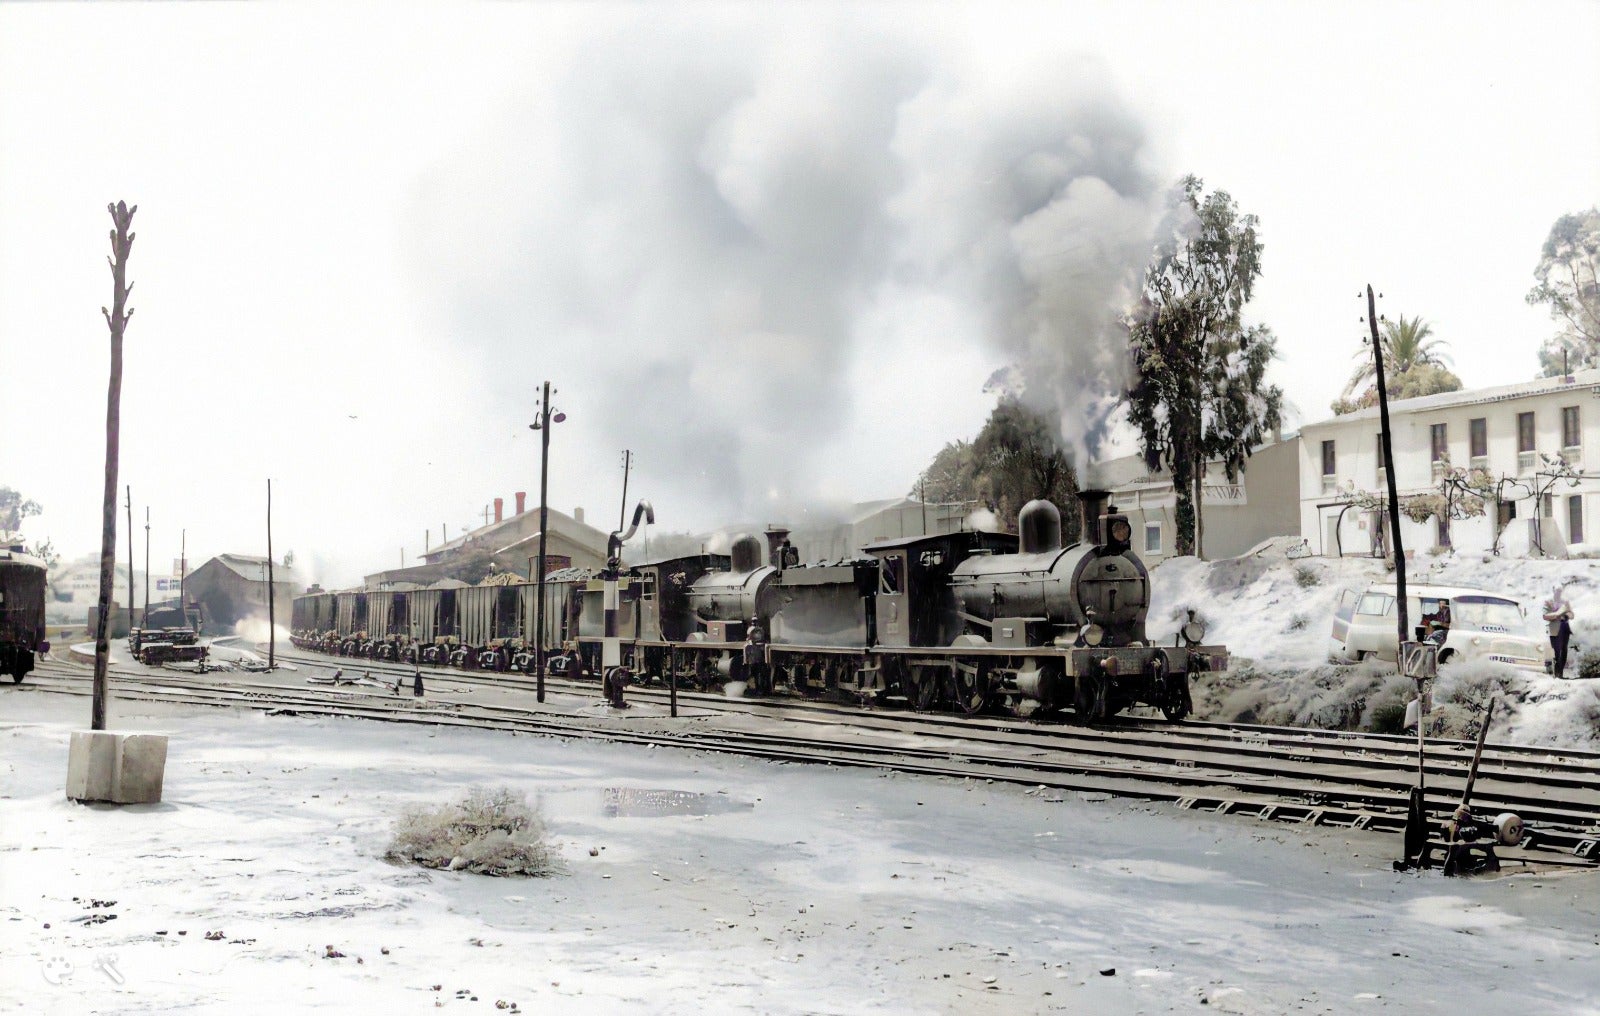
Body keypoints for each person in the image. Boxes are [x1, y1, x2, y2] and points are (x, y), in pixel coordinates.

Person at [1544, 585, 1575, 679]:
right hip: (1555, 628)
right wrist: (1557, 614)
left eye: (1560, 591)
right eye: (1557, 591)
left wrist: (1566, 614)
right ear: (1553, 591)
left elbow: (1572, 614)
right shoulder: (1548, 602)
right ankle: (1556, 674)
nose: (1559, 593)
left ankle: (1560, 673)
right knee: (1557, 651)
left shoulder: (1565, 602)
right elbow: (1545, 616)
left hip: (1565, 627)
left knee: (1564, 650)